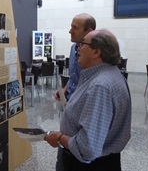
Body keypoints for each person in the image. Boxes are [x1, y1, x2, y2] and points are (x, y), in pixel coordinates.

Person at [45, 29, 132, 171]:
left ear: (96, 52)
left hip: (87, 165)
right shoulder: (107, 75)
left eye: (82, 44)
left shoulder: (100, 86)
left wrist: (60, 137)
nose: (77, 48)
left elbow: (86, 149)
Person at [54, 13, 96, 171]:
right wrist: (64, 90)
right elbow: (74, 77)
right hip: (69, 107)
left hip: (83, 111)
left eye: (75, 28)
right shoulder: (73, 49)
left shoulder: (94, 57)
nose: (70, 31)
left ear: (88, 30)